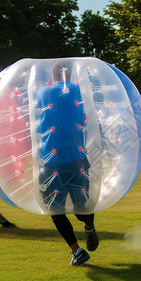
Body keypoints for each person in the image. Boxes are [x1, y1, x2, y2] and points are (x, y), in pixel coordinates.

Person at [35, 60, 99, 265]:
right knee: (82, 206)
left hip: (51, 160)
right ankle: (88, 226)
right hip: (77, 157)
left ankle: (77, 251)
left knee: (55, 210)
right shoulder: (80, 91)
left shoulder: (42, 93)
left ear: (53, 76)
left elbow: (38, 121)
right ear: (70, 74)